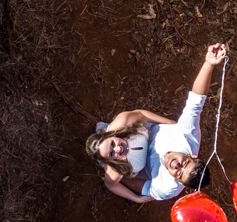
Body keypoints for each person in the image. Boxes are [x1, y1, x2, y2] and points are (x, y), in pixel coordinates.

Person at [85, 43, 228, 203]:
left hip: (139, 169)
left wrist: (126, 183)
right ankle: (106, 141)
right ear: (191, 155)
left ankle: (105, 156)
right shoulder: (186, 133)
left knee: (118, 173)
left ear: (179, 183)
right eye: (185, 163)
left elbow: (142, 186)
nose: (177, 166)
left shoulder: (167, 188)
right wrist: (209, 64)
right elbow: (196, 101)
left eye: (180, 174)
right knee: (120, 127)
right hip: (143, 132)